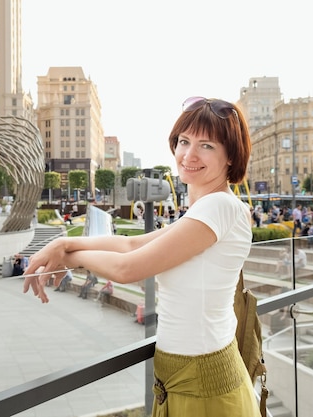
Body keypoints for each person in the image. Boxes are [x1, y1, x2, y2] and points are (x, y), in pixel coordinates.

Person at [23, 96, 260, 416]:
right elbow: (130, 245)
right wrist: (65, 244)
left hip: (204, 385)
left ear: (231, 156)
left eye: (206, 146)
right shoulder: (209, 209)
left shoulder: (219, 207)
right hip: (186, 376)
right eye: (184, 141)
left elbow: (127, 267)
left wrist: (72, 256)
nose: (188, 155)